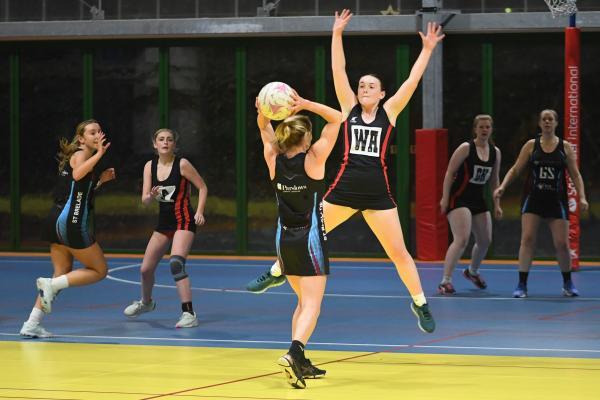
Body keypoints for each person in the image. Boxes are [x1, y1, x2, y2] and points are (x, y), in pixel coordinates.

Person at [247, 9, 444, 334]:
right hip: (343, 191)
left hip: (378, 194)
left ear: (382, 94)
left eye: (372, 86)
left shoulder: (390, 113)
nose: (364, 88)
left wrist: (426, 50)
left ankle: (420, 303)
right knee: (304, 228)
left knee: (400, 253)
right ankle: (277, 271)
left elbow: (411, 82)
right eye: (362, 85)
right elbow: (338, 68)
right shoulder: (348, 110)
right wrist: (337, 33)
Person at [257, 91, 341, 389]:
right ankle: (295, 353)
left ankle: (301, 363)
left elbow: (263, 128)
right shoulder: (314, 159)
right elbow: (337, 118)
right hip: (310, 239)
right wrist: (305, 104)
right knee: (313, 305)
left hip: (283, 239)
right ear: (305, 140)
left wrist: (264, 110)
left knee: (302, 302)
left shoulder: (272, 157)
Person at [20, 119, 115, 338]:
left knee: (61, 272)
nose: (97, 134)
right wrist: (100, 154)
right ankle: (50, 284)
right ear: (81, 138)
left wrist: (99, 182)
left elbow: (77, 190)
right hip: (70, 222)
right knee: (100, 271)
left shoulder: (81, 156)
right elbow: (77, 175)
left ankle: (31, 323)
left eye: (99, 131)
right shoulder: (82, 154)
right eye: (92, 132)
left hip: (56, 218)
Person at [494, 109, 588, 298]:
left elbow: (575, 174)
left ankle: (568, 283)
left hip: (556, 200)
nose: (547, 122)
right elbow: (515, 169)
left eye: (550, 119)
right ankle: (521, 284)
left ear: (556, 123)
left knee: (561, 243)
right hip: (534, 199)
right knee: (527, 239)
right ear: (539, 123)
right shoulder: (531, 146)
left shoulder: (565, 147)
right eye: (544, 119)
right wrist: (503, 186)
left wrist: (582, 196)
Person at [123, 128, 207, 328]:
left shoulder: (183, 164)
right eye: (161, 139)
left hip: (184, 219)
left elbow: (203, 187)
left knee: (176, 264)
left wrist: (200, 211)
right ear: (155, 144)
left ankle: (189, 313)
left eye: (169, 140)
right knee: (145, 269)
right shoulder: (149, 166)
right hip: (164, 223)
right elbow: (144, 200)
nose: (165, 142)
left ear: (174, 145)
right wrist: (150, 196)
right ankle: (146, 303)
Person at [438, 114, 502, 294]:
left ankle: (472, 271)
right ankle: (445, 281)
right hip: (459, 198)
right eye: (481, 127)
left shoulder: (495, 152)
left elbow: (494, 180)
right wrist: (444, 198)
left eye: (487, 127)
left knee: (485, 240)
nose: (484, 130)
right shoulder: (466, 148)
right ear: (475, 129)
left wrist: (497, 204)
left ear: (491, 129)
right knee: (462, 238)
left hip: (478, 199)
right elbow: (450, 172)